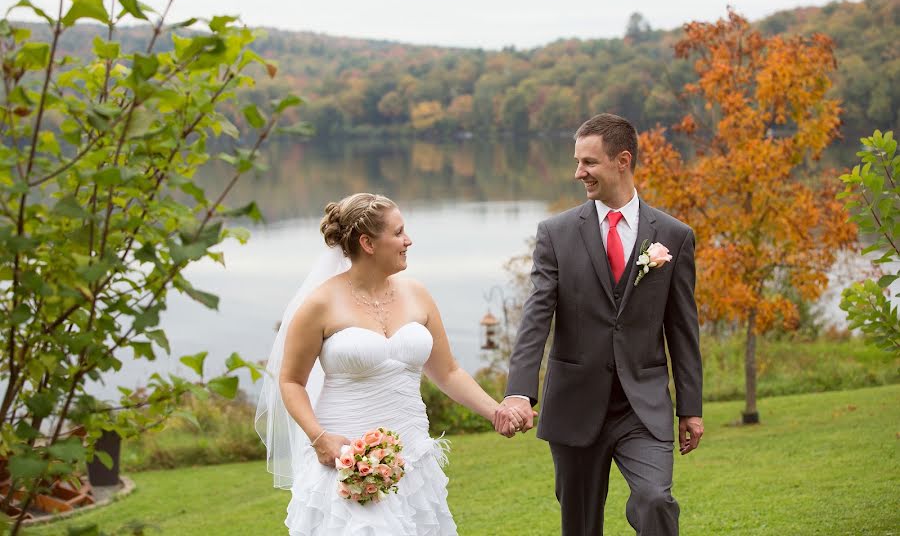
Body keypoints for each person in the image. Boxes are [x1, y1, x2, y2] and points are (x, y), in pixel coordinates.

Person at [256, 193, 524, 535]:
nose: (408, 240)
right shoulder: (320, 304)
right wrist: (319, 437)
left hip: (413, 458)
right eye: (398, 233)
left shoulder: (417, 294)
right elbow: (291, 381)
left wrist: (495, 410)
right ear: (368, 243)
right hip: (347, 459)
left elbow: (448, 372)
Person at [497, 113, 704, 535]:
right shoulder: (555, 234)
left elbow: (683, 329)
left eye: (588, 162)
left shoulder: (673, 235)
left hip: (641, 406)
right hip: (574, 404)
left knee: (655, 500)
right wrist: (520, 391)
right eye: (577, 162)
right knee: (580, 525)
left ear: (621, 161)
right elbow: (537, 314)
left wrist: (691, 407)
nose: (578, 173)